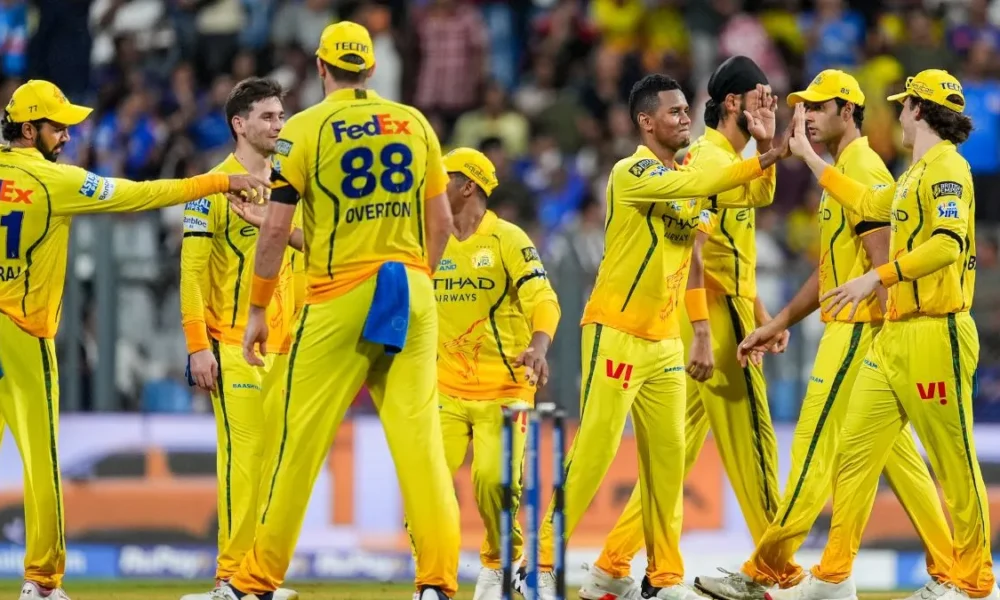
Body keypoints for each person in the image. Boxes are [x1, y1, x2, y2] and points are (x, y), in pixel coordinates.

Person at [181, 22, 460, 600]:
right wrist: (419, 281)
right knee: (423, 449)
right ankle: (436, 583)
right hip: (411, 289)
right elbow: (442, 224)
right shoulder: (416, 123)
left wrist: (258, 309)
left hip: (338, 295)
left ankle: (253, 581)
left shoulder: (304, 130)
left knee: (293, 443)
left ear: (321, 67)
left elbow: (275, 229)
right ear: (372, 68)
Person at [520, 72, 788, 600]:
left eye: (687, 110)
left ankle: (663, 578)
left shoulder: (686, 176)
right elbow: (697, 185)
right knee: (594, 453)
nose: (686, 118)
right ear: (646, 121)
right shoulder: (632, 171)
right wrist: (772, 154)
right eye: (675, 112)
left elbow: (705, 247)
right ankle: (540, 561)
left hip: (666, 341)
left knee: (667, 463)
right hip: (616, 332)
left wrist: (703, 332)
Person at [693, 69, 955, 600]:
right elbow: (833, 270)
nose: (806, 117)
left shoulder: (861, 167)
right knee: (899, 460)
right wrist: (777, 322)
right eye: (804, 107)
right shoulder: (842, 170)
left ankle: (764, 571)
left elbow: (881, 261)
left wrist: (885, 333)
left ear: (847, 111)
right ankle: (953, 573)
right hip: (863, 333)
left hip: (858, 333)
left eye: (817, 107)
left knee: (812, 450)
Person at [0, 79, 266, 600]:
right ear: (29, 130)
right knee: (41, 459)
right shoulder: (53, 180)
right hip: (22, 333)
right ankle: (42, 582)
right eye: (59, 128)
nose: (67, 137)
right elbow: (141, 194)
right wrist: (217, 182)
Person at [769, 69, 997, 600]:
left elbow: (946, 244)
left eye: (903, 105)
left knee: (954, 464)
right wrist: (809, 159)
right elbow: (870, 204)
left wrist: (878, 276)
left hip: (937, 332)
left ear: (919, 109)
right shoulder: (915, 173)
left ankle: (974, 583)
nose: (897, 114)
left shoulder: (948, 168)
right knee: (854, 452)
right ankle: (832, 577)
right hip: (895, 335)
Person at [412, 147, 559, 600]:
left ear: (467, 186)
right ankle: (432, 583)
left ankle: (498, 564)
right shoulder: (427, 236)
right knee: (425, 484)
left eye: (442, 178)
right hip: (443, 388)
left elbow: (543, 298)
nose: (431, 186)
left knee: (493, 482)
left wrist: (538, 346)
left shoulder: (507, 239)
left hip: (505, 387)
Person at [177, 77, 301, 600]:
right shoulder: (211, 187)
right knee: (243, 462)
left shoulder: (293, 184)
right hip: (232, 344)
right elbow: (191, 273)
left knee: (275, 467)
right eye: (268, 116)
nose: (279, 125)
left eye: (281, 116)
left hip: (289, 348)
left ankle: (256, 580)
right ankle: (229, 578)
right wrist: (197, 346)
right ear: (239, 124)